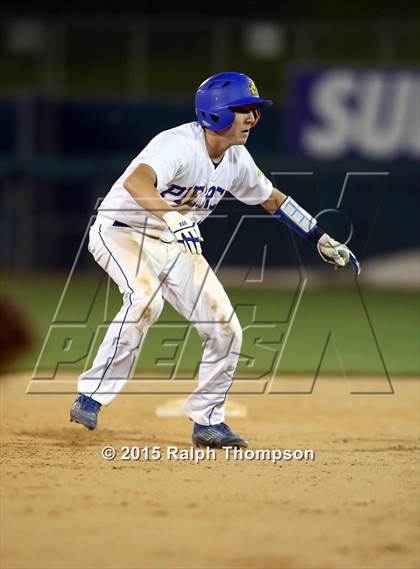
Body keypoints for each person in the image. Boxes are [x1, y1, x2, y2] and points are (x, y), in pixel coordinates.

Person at [70, 71, 360, 448]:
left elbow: (272, 198)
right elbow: (136, 182)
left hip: (175, 242)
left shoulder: (236, 158)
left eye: (255, 110)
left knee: (226, 329)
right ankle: (90, 396)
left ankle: (208, 421)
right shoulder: (177, 144)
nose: (253, 119)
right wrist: (173, 217)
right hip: (121, 231)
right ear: (218, 113)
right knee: (145, 300)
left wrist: (319, 236)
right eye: (245, 109)